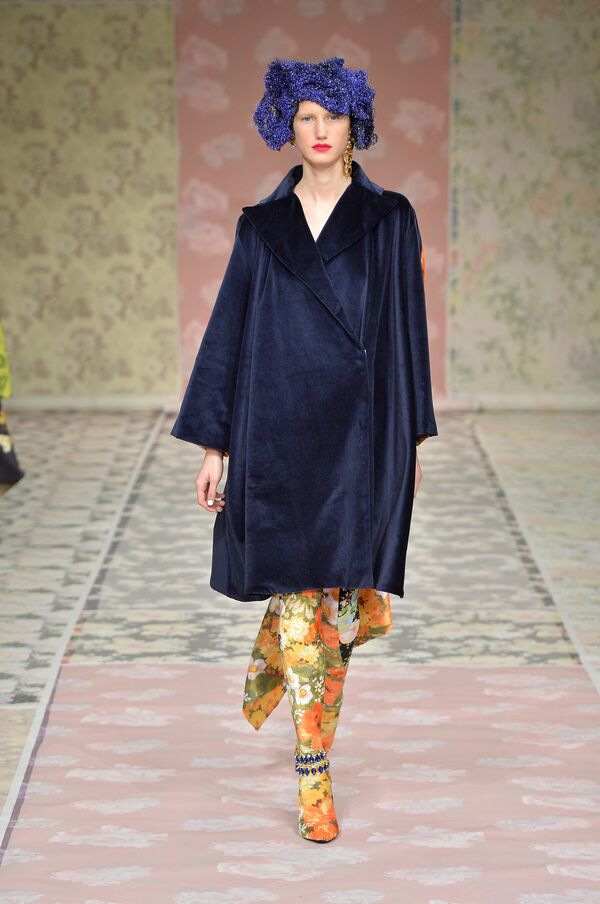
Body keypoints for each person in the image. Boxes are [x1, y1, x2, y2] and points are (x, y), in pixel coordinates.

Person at [170, 56, 438, 843]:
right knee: (300, 594)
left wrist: (408, 441)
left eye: (332, 117)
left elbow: (407, 338)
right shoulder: (263, 227)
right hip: (277, 432)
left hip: (359, 436)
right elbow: (228, 330)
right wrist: (214, 444)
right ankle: (312, 770)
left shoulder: (390, 219)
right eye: (305, 119)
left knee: (340, 605)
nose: (319, 131)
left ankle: (280, 666)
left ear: (356, 125)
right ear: (288, 128)